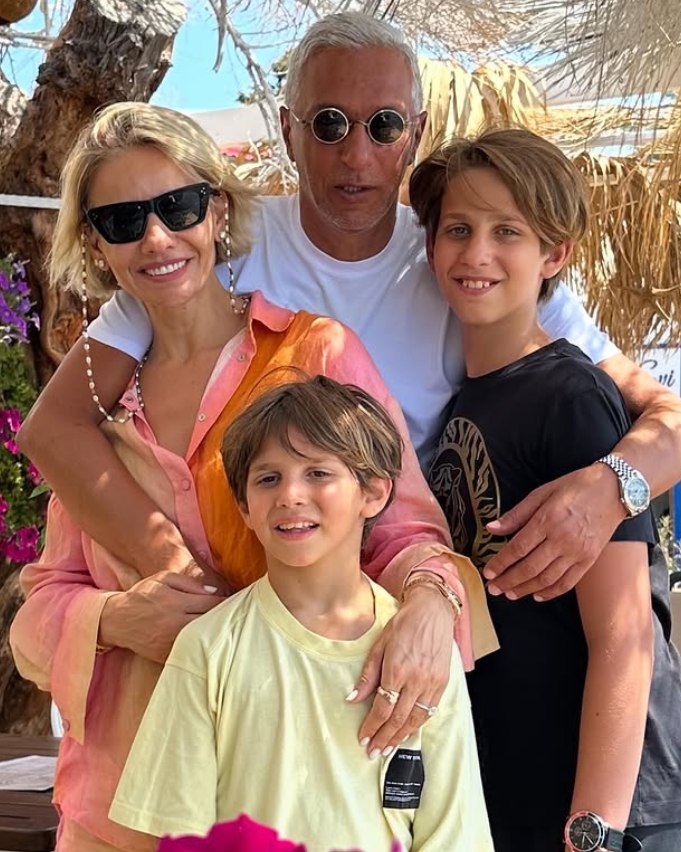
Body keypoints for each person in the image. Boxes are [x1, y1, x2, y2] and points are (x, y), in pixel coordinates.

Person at [16, 12, 681, 754]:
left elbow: (666, 415)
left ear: (415, 132)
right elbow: (57, 428)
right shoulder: (208, 240)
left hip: (418, 623)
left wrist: (608, 487)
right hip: (261, 638)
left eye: (384, 125)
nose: (357, 154)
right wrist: (187, 589)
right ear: (287, 128)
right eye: (329, 123)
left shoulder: (463, 259)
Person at [9, 102, 495, 852]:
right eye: (122, 220)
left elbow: (401, 528)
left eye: (178, 206)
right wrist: (114, 620)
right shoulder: (99, 413)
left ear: (218, 210)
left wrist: (433, 599)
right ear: (95, 244)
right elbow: (40, 611)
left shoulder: (313, 355)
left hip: (286, 801)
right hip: (113, 809)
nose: (156, 237)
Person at [410, 128, 681, 852]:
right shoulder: (465, 404)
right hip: (516, 790)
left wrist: (593, 830)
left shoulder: (569, 396)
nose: (476, 253)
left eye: (507, 232)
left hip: (605, 806)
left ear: (553, 255)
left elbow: (624, 634)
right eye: (458, 230)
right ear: (431, 247)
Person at [109, 376, 494, 852]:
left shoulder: (424, 659)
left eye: (318, 473)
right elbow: (180, 839)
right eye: (268, 478)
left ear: (374, 492)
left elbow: (453, 836)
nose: (290, 494)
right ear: (245, 507)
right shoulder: (207, 650)